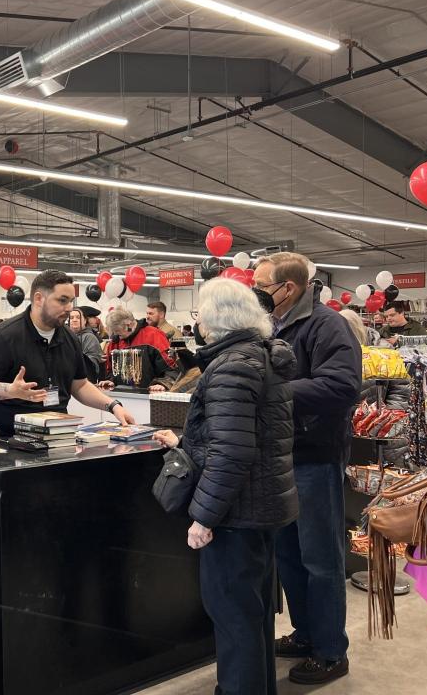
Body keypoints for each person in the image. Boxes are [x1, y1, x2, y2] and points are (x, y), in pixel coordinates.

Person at [153, 278, 298, 695]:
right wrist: (186, 441)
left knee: (234, 619)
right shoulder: (261, 357)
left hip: (237, 514)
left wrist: (204, 516)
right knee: (251, 619)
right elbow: (246, 435)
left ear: (214, 320)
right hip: (261, 506)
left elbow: (233, 452)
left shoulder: (231, 365)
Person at [252, 252, 361, 685]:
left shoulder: (326, 326)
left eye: (262, 284)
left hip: (314, 456)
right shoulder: (272, 326)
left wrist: (274, 390)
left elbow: (341, 385)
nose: (255, 290)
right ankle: (306, 633)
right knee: (289, 556)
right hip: (280, 456)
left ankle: (332, 651)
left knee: (321, 560)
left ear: (288, 288)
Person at [0, 270, 136, 436]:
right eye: (62, 300)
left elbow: (79, 385)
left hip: (59, 436)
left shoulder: (69, 338)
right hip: (11, 439)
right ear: (38, 299)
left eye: (71, 301)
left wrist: (113, 405)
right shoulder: (6, 336)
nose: (69, 308)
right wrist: (9, 390)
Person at [338, 309, 409, 465]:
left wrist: (385, 420)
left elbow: (400, 389)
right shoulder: (335, 349)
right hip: (339, 427)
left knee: (374, 475)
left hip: (376, 428)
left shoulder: (383, 350)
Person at [104, 308, 175, 371]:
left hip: (150, 385)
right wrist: (110, 381)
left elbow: (170, 367)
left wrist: (161, 384)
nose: (115, 334)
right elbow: (110, 370)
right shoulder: (115, 342)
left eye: (117, 330)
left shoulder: (154, 335)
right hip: (120, 386)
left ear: (128, 325)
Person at [68, 307, 103, 383]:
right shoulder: (65, 337)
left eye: (78, 317)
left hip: (85, 382)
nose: (74, 320)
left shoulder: (89, 337)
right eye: (71, 318)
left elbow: (93, 364)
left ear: (84, 321)